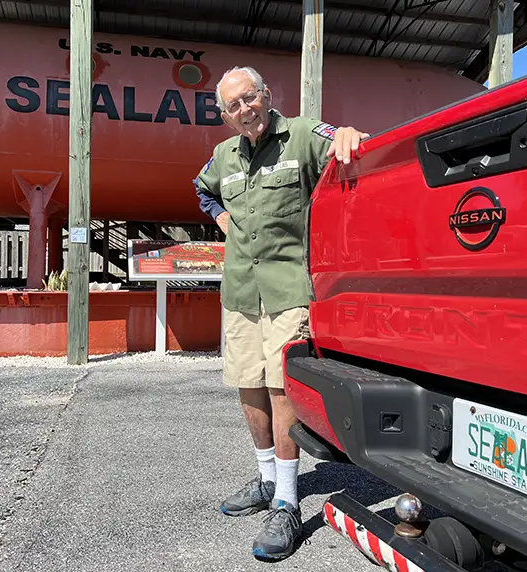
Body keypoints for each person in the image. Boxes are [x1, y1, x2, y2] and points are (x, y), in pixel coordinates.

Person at [193, 66, 368, 561]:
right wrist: (224, 220)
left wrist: (349, 134)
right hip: (241, 292)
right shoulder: (222, 156)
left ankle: (288, 502)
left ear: (266, 96)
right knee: (248, 382)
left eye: (250, 98)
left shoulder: (304, 136)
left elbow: (347, 145)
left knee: (279, 385)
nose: (244, 110)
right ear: (225, 116)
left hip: (290, 287)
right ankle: (268, 481)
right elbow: (203, 190)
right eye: (233, 106)